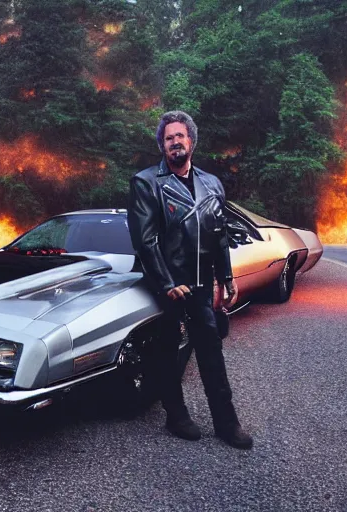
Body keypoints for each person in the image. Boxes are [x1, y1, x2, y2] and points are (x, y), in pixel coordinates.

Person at [127, 110, 253, 450]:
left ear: (191, 141)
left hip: (199, 283)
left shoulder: (212, 183)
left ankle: (227, 424)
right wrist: (166, 283)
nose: (174, 143)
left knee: (211, 350)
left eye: (179, 136)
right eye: (168, 138)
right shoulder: (146, 182)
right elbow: (145, 240)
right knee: (168, 350)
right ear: (162, 145)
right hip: (167, 284)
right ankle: (175, 414)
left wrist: (226, 276)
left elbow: (219, 234)